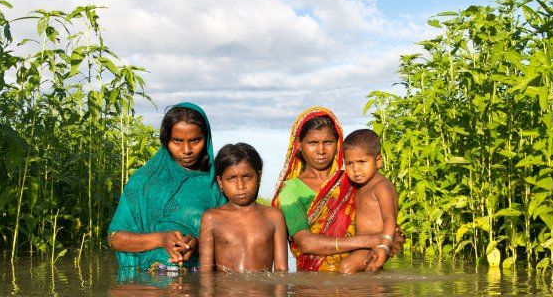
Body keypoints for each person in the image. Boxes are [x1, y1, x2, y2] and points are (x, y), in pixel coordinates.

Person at [271, 107, 397, 271]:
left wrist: (389, 240)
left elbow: (385, 220)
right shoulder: (290, 191)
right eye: (312, 143)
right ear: (299, 146)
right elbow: (307, 243)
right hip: (315, 287)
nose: (321, 150)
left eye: (328, 142)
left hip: (365, 271)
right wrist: (374, 240)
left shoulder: (353, 178)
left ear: (338, 144)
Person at [108, 102, 225, 273]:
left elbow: (234, 240)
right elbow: (115, 239)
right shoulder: (144, 182)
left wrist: (199, 245)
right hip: (150, 288)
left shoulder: (218, 184)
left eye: (195, 140)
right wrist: (161, 239)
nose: (187, 150)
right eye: (177, 141)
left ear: (206, 140)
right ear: (165, 140)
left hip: (200, 282)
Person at [199, 143, 288, 272]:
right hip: (226, 291)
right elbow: (206, 271)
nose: (241, 186)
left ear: (259, 176)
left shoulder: (273, 216)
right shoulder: (211, 218)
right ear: (220, 182)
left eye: (247, 177)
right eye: (232, 178)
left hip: (262, 292)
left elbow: (281, 270)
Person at [337, 129, 400, 273]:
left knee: (346, 268)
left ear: (378, 161)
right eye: (349, 164)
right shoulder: (360, 186)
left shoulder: (381, 186)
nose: (356, 169)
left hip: (377, 244)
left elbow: (390, 219)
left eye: (361, 162)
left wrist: (383, 247)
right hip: (363, 245)